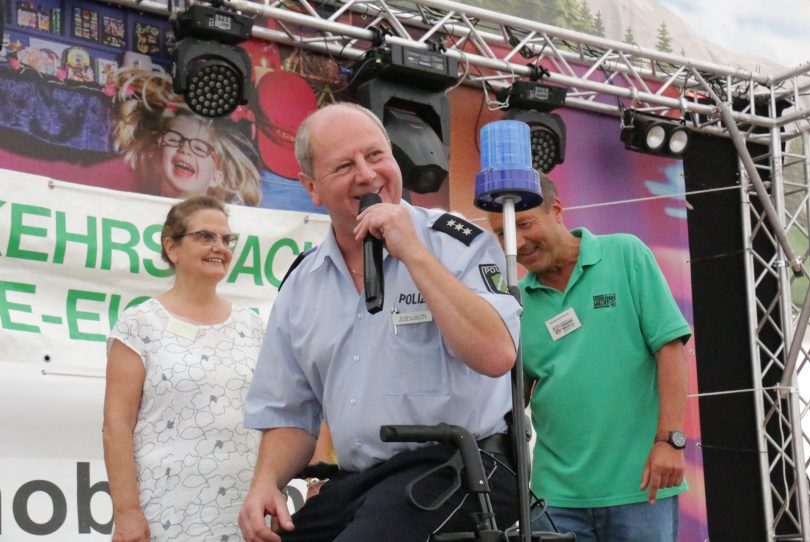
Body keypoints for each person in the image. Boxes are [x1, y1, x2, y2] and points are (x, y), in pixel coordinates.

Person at [239, 102, 523, 542]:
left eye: (376, 156)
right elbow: (289, 412)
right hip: (362, 481)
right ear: (311, 187)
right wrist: (265, 484)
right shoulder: (301, 283)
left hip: (463, 468)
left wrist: (413, 252)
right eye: (344, 166)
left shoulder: (456, 243)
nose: (368, 175)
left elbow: (497, 354)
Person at [488, 176, 691, 542]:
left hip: (641, 487)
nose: (516, 242)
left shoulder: (625, 254)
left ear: (557, 210)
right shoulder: (514, 303)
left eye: (524, 223)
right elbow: (513, 400)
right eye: (502, 233)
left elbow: (671, 349)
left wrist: (670, 441)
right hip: (554, 499)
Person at [103, 195, 264, 541]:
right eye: (205, 236)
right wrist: (127, 513)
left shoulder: (252, 327)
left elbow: (274, 416)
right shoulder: (140, 324)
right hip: (166, 511)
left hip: (242, 511)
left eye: (226, 239)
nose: (219, 247)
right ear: (171, 247)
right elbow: (116, 426)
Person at [112, 69, 262, 205]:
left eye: (199, 147)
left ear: (215, 177)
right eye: (174, 139)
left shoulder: (228, 223)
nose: (184, 149)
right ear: (157, 159)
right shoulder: (131, 205)